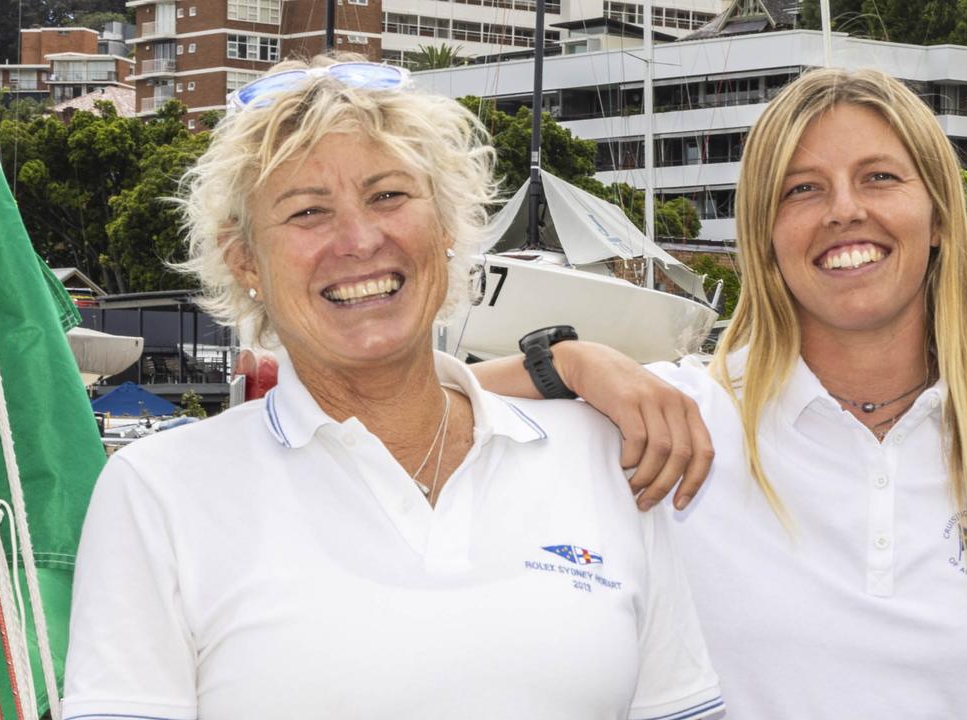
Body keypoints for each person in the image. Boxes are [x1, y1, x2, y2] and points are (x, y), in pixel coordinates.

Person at [476, 68, 967, 719]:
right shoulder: (676, 421)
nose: (845, 211)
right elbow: (400, 412)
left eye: (879, 178)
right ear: (766, 239)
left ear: (939, 216)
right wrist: (569, 362)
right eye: (802, 190)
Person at [62, 55, 724, 720]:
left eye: (388, 196)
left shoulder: (604, 460)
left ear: (444, 228)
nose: (358, 239)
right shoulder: (160, 496)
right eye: (307, 211)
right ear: (245, 261)